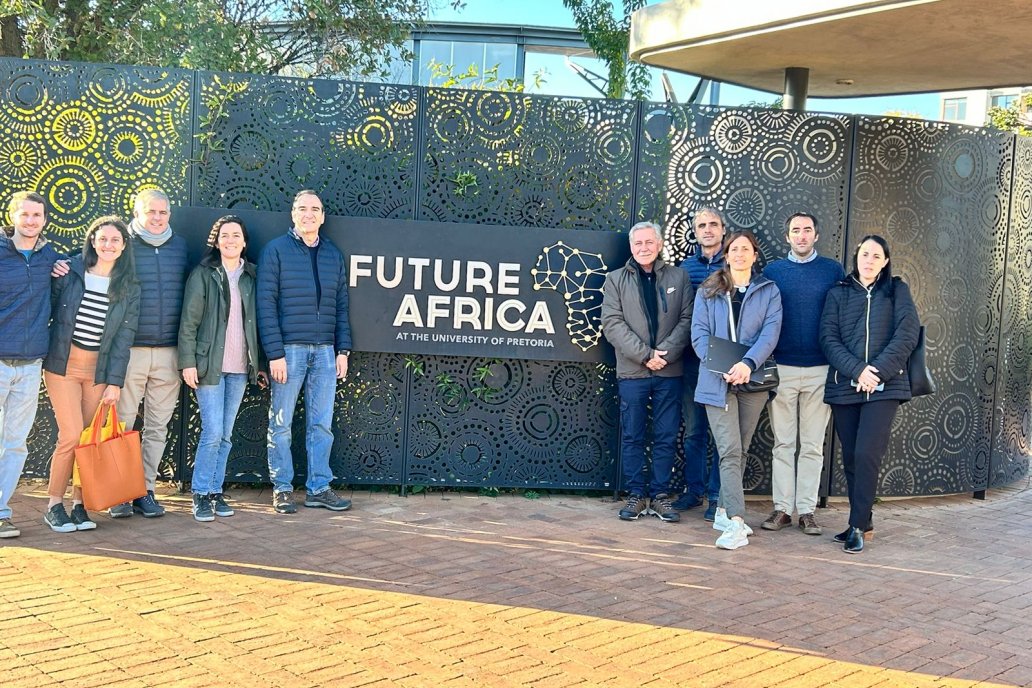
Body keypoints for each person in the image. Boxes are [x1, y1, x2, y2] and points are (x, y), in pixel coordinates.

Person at [820, 235, 919, 553]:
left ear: (885, 261)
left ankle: (858, 526)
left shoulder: (897, 291)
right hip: (845, 385)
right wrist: (858, 371)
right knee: (850, 457)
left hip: (885, 386)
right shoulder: (838, 292)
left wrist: (875, 372)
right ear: (856, 257)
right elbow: (828, 337)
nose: (870, 260)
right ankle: (863, 520)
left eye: (877, 255)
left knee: (866, 454)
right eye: (865, 254)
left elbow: (907, 334)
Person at [42, 217, 140, 532]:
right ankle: (54, 504)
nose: (108, 245)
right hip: (63, 365)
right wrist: (54, 272)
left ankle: (78, 504)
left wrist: (114, 383)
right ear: (92, 240)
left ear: (124, 246)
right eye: (103, 239)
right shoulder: (70, 272)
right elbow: (48, 306)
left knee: (87, 439)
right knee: (70, 435)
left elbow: (125, 338)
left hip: (98, 370)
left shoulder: (129, 286)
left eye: (115, 240)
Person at [257, 190, 352, 514]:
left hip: (326, 352)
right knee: (280, 424)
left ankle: (318, 488)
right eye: (302, 208)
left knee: (321, 425)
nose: (309, 214)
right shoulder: (276, 251)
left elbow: (341, 306)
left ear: (323, 216)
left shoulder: (333, 255)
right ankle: (282, 488)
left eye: (315, 209)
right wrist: (275, 353)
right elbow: (265, 305)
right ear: (293, 214)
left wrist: (344, 350)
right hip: (289, 351)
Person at [692, 231, 782, 550]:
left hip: (753, 380)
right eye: (734, 249)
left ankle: (721, 511)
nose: (740, 253)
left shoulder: (769, 290)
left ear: (755, 255)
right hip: (717, 380)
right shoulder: (709, 290)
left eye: (746, 249)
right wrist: (724, 366)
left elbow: (770, 333)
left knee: (741, 450)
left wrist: (746, 363)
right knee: (730, 449)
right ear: (726, 255)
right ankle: (736, 522)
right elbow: (699, 334)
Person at [601, 221, 693, 523]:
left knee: (667, 435)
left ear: (660, 243)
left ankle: (661, 496)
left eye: (649, 242)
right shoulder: (615, 280)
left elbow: (687, 318)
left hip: (669, 370)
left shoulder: (679, 277)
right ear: (631, 246)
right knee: (633, 436)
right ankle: (636, 495)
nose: (643, 247)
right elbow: (612, 323)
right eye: (638, 243)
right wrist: (645, 355)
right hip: (632, 371)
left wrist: (663, 354)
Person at [761, 213, 845, 536]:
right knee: (783, 443)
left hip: (819, 368)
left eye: (807, 230)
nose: (801, 235)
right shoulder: (773, 272)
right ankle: (782, 508)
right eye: (795, 230)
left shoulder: (831, 270)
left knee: (811, 444)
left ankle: (807, 510)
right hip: (781, 367)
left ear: (816, 235)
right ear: (787, 237)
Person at [179, 216, 266, 522]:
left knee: (226, 434)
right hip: (209, 366)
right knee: (212, 431)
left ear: (244, 242)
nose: (230, 240)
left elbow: (256, 325)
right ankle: (200, 494)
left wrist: (260, 365)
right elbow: (189, 321)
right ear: (217, 241)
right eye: (224, 236)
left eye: (236, 235)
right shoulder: (203, 273)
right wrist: (187, 362)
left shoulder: (252, 276)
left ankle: (215, 491)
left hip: (240, 367)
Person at [113, 188, 189, 518]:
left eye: (163, 212)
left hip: (169, 352)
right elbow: (87, 262)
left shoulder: (180, 247)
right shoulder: (122, 244)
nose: (157, 218)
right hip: (132, 350)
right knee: (123, 425)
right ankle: (118, 493)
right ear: (137, 212)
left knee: (157, 427)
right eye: (150, 212)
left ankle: (146, 490)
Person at [0, 192, 61, 538]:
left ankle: (1, 511)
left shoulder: (48, 257)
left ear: (45, 219)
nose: (31, 221)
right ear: (12, 216)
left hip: (29, 364)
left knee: (15, 442)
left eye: (37, 215)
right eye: (25, 215)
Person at [674, 207, 727, 520]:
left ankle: (717, 496)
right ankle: (694, 491)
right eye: (701, 226)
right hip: (693, 363)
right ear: (695, 232)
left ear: (722, 229)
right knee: (694, 430)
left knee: (723, 434)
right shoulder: (686, 268)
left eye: (713, 225)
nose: (707, 230)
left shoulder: (733, 262)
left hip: (724, 362)